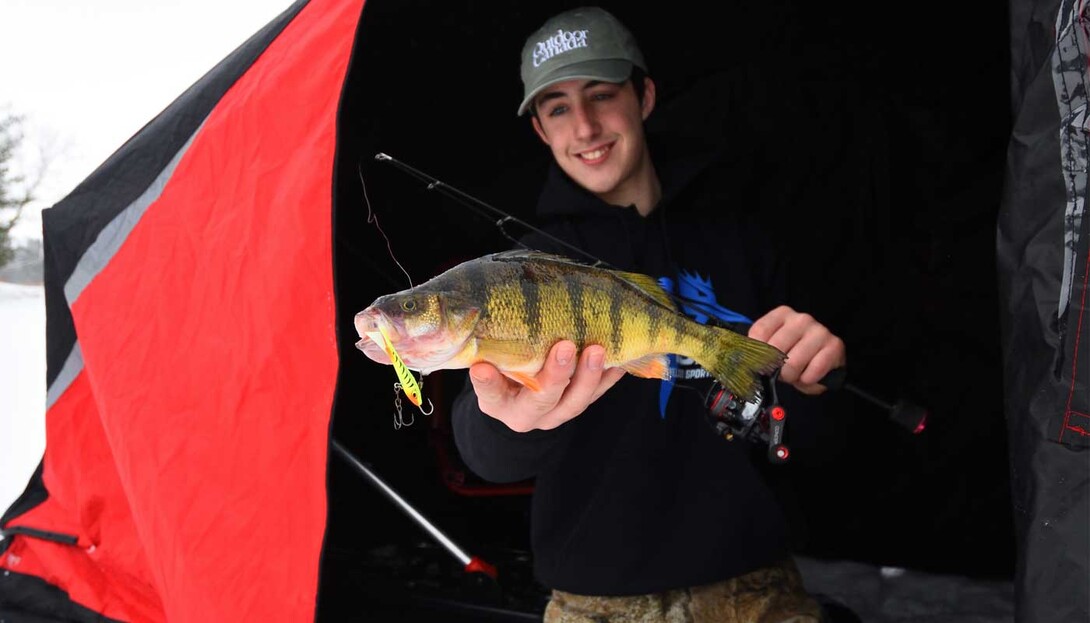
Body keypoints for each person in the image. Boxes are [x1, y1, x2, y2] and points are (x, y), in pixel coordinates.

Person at [451, 6, 846, 622]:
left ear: (645, 95)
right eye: (557, 107)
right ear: (541, 131)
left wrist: (814, 386)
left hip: (757, 589)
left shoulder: (740, 238)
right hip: (593, 604)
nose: (584, 126)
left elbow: (805, 442)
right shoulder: (526, 270)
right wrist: (507, 419)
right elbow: (484, 450)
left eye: (602, 95)